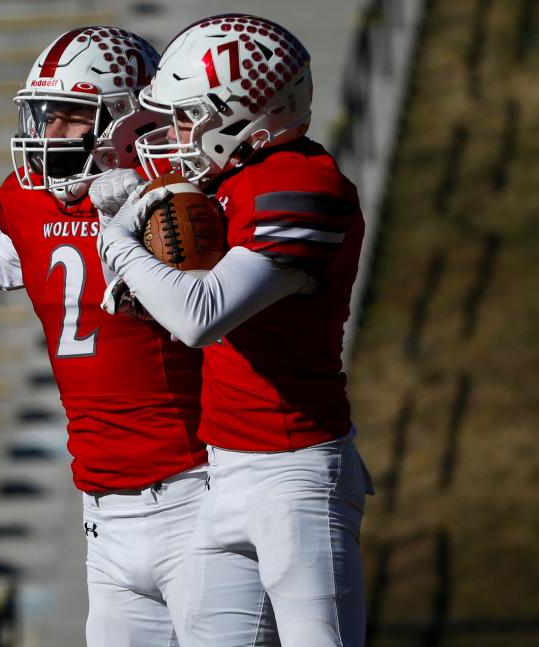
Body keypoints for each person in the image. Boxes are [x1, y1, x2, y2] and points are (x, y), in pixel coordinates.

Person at [0, 27, 208, 647]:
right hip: (103, 508)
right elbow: (3, 258)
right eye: (44, 116)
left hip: (196, 488)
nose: (46, 135)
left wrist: (148, 206)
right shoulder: (30, 198)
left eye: (69, 117)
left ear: (124, 119)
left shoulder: (177, 200)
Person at [96, 14, 374, 647]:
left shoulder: (303, 182)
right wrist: (144, 228)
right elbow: (160, 309)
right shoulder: (231, 184)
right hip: (224, 468)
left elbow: (200, 315)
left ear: (247, 114)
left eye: (188, 116)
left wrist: (118, 243)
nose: (173, 135)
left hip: (295, 471)